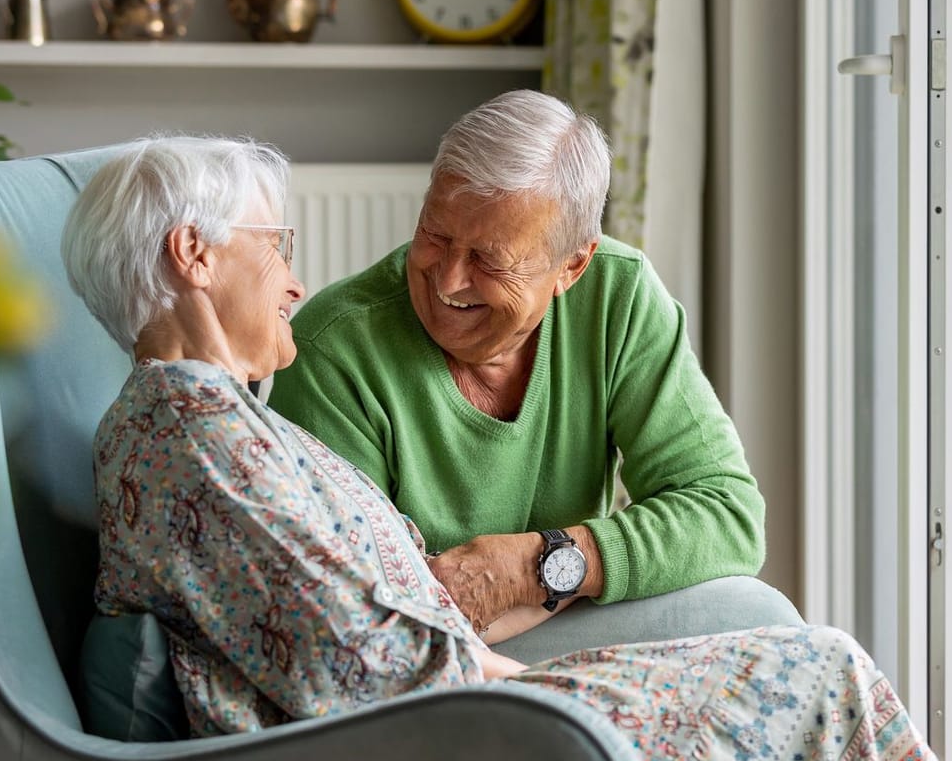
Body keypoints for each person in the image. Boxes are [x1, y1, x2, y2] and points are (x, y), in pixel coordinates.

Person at [60, 135, 952, 761]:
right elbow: (361, 667)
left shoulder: (219, 422)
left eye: (489, 258)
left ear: (570, 265)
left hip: (468, 692)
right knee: (823, 674)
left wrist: (536, 582)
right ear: (196, 255)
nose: (296, 279)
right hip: (447, 738)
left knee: (806, 662)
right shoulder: (198, 439)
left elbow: (368, 612)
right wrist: (536, 679)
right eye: (277, 245)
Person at [270, 90, 761, 642]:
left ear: (571, 266)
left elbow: (727, 514)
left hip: (559, 623)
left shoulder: (616, 298)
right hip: (427, 661)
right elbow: (354, 618)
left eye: (488, 259)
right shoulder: (334, 350)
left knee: (757, 612)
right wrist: (562, 585)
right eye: (435, 234)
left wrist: (535, 566)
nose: (448, 279)